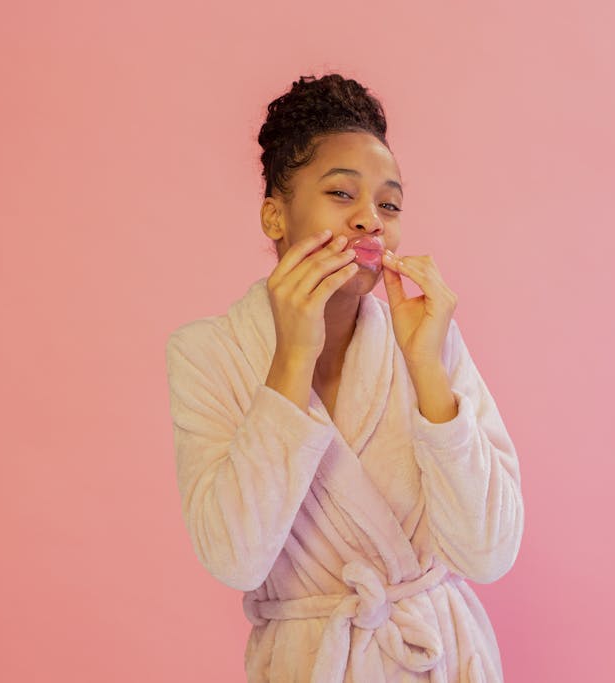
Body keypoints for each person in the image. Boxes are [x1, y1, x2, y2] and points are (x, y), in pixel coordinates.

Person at [165, 73, 524, 682]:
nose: (371, 221)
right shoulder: (208, 353)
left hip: (442, 660)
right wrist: (290, 361)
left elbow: (488, 554)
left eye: (389, 204)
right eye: (341, 194)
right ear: (274, 215)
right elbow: (235, 558)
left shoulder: (429, 341)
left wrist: (426, 371)